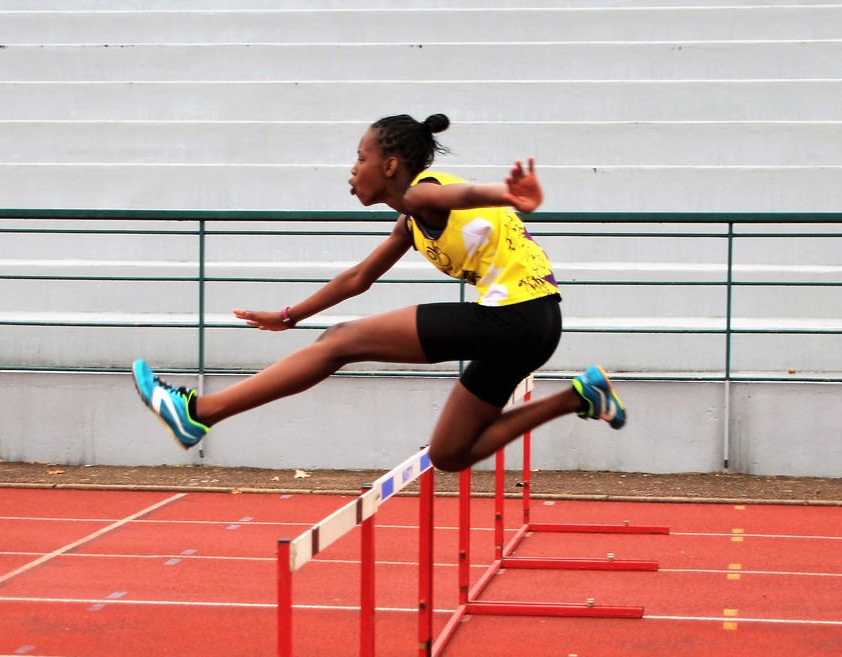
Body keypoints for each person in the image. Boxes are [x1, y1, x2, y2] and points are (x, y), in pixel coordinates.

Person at [131, 113, 624, 473]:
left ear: (389, 165)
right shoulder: (409, 222)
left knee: (342, 340)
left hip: (516, 316)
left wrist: (507, 194)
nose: (352, 170)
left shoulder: (421, 192)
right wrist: (290, 315)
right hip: (532, 326)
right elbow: (359, 278)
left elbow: (459, 195)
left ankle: (199, 413)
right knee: (449, 453)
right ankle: (578, 397)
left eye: (360, 158)